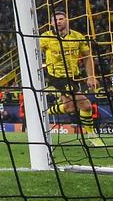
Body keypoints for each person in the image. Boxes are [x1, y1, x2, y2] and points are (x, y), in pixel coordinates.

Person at [39, 9, 102, 147]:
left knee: (69, 107)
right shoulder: (45, 37)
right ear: (51, 23)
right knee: (85, 105)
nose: (58, 21)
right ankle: (92, 134)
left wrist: (91, 76)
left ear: (67, 20)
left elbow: (87, 57)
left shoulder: (78, 36)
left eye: (61, 18)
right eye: (55, 20)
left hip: (74, 76)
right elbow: (35, 53)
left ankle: (44, 112)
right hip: (57, 76)